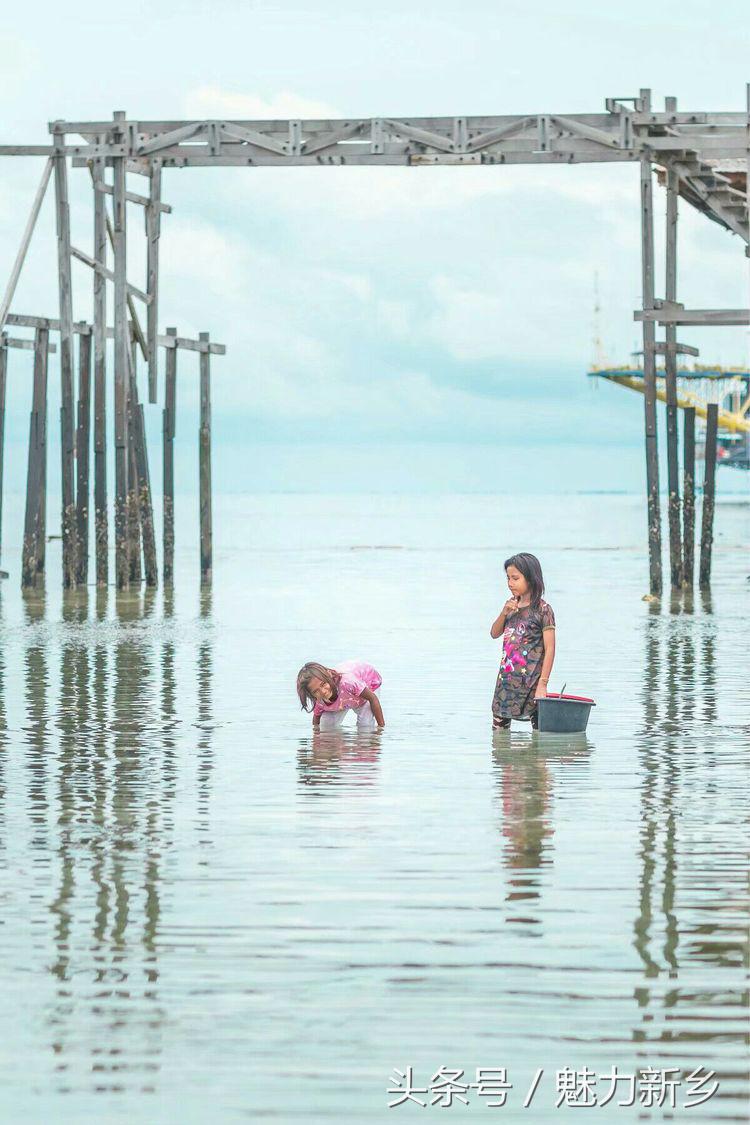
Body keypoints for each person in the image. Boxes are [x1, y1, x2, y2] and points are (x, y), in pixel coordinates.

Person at [490, 553, 555, 730]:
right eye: (508, 578)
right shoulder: (511, 607)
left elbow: (550, 649)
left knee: (538, 740)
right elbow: (494, 633)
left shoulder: (543, 610)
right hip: (505, 686)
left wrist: (543, 684)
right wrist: (503, 613)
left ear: (532, 579)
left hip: (531, 686)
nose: (510, 583)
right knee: (499, 743)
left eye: (515, 578)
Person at [297, 661, 385, 730]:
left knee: (365, 726)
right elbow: (316, 723)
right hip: (344, 698)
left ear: (329, 675)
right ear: (311, 694)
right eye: (316, 691)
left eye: (323, 684)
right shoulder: (319, 701)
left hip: (367, 687)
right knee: (326, 727)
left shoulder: (348, 682)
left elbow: (372, 698)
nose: (323, 692)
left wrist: (381, 728)